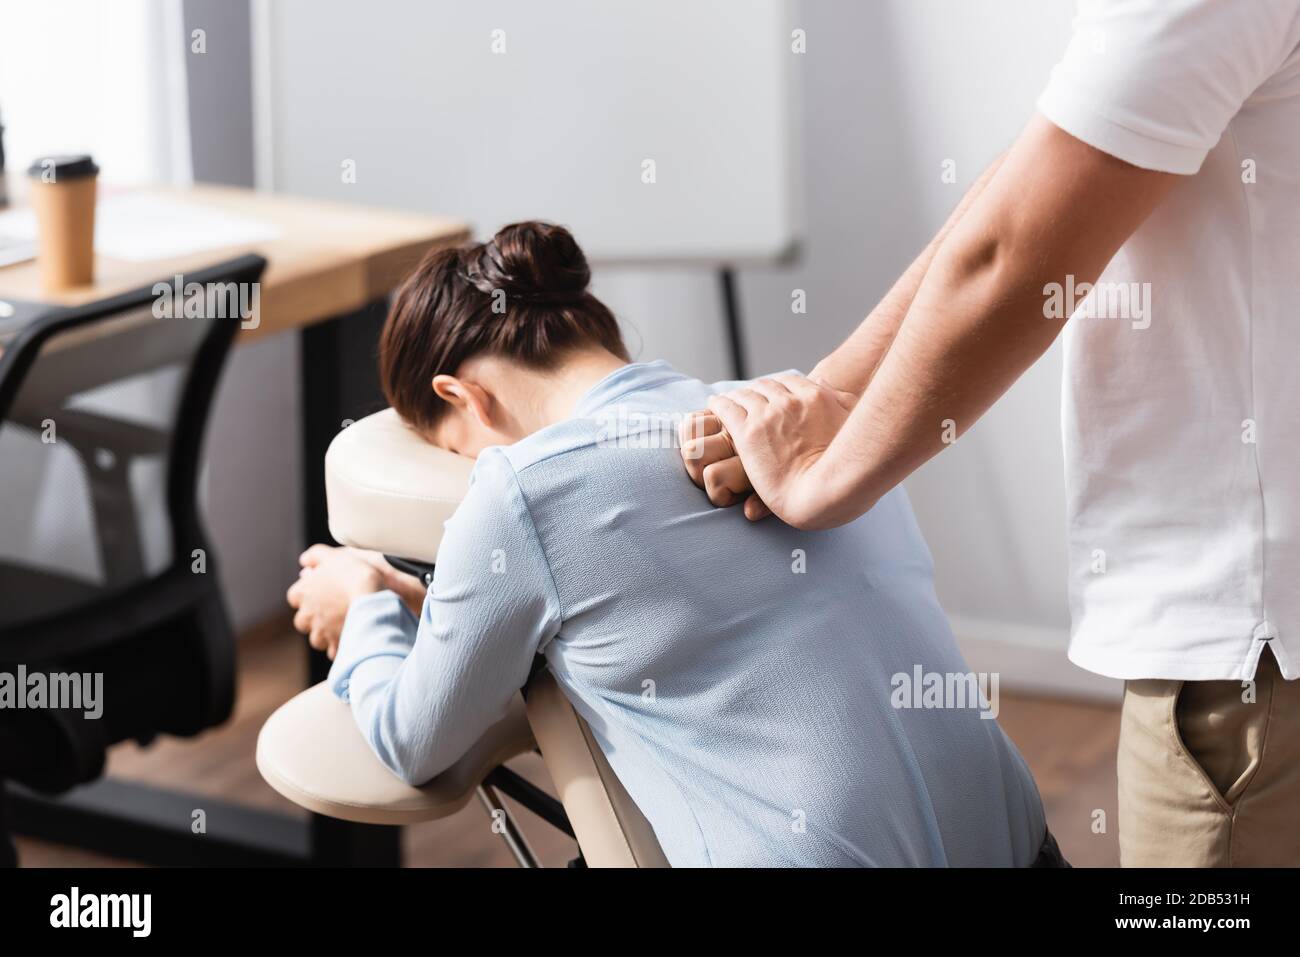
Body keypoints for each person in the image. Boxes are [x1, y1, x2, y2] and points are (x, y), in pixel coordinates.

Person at [683, 0, 1300, 867]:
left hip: (1253, 646)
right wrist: (830, 396)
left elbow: (1012, 252)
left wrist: (827, 480)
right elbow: (1032, 181)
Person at [287, 221, 1056, 867]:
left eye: (454, 448)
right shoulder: (806, 415)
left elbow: (410, 739)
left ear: (464, 396)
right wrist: (437, 609)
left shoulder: (523, 489)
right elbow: (702, 619)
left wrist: (362, 607)